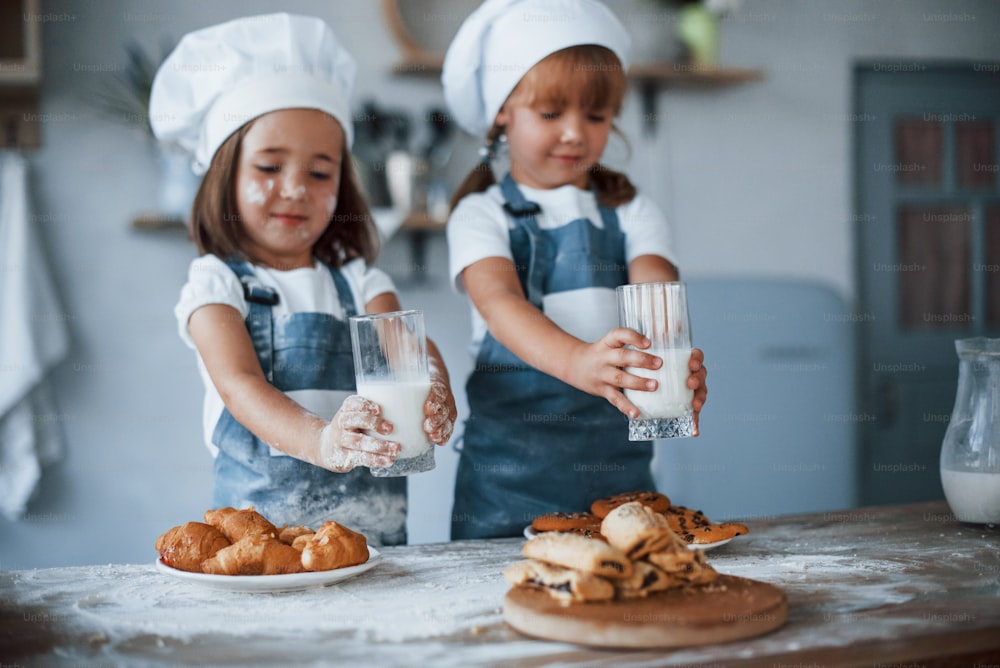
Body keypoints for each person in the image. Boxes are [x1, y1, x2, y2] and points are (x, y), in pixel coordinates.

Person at [149, 13, 457, 546]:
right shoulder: (216, 286)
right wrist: (324, 441)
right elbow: (241, 386)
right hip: (264, 550)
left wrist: (435, 386)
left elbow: (406, 347)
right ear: (226, 175)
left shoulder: (361, 281)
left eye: (320, 172)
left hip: (373, 549)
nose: (295, 189)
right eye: (269, 168)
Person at [441, 0, 708, 539]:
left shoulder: (633, 213)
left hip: (619, 485)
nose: (574, 133)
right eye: (551, 113)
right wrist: (579, 361)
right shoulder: (480, 214)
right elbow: (501, 305)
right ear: (502, 113)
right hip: (503, 488)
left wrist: (674, 367)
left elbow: (658, 300)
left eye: (595, 115)